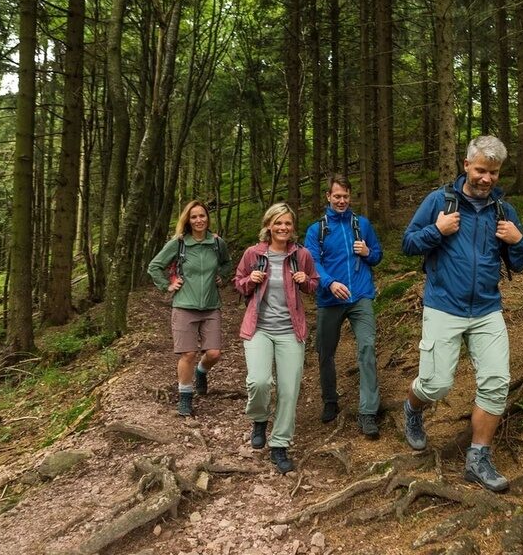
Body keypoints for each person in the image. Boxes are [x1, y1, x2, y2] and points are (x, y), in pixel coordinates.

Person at [401, 136, 523, 493]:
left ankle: (477, 459)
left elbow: (518, 265)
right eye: (481, 170)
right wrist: (436, 231)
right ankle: (412, 407)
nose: (487, 178)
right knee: (437, 384)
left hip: (487, 308)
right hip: (443, 304)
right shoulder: (439, 201)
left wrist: (518, 241)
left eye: (494, 172)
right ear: (466, 165)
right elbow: (407, 243)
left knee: (496, 383)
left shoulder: (503, 209)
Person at [234, 203, 319, 474]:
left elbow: (313, 284)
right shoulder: (254, 253)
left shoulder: (300, 254)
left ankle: (280, 444)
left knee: (289, 389)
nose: (283, 228)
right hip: (259, 327)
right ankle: (259, 418)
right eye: (278, 223)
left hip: (290, 330)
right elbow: (238, 283)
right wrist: (251, 279)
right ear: (268, 225)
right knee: (259, 382)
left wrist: (306, 279)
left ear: (293, 227)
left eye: (288, 224)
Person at [304, 174, 383, 438]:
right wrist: (330, 283)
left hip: (360, 296)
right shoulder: (317, 229)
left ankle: (368, 412)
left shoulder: (362, 224)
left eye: (346, 197)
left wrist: (367, 253)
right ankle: (329, 400)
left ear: (351, 197)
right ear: (328, 196)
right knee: (325, 352)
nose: (341, 201)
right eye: (337, 196)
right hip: (330, 298)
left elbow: (378, 254)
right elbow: (312, 263)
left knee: (367, 346)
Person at [148, 200, 232, 417]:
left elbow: (226, 263)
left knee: (213, 353)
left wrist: (222, 277)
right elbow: (154, 266)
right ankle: (185, 397)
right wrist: (167, 285)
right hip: (184, 306)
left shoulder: (216, 243)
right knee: (188, 353)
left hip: (211, 305)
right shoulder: (179, 243)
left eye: (202, 216)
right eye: (193, 217)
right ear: (187, 220)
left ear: (207, 217)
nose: (198, 220)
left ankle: (201, 372)